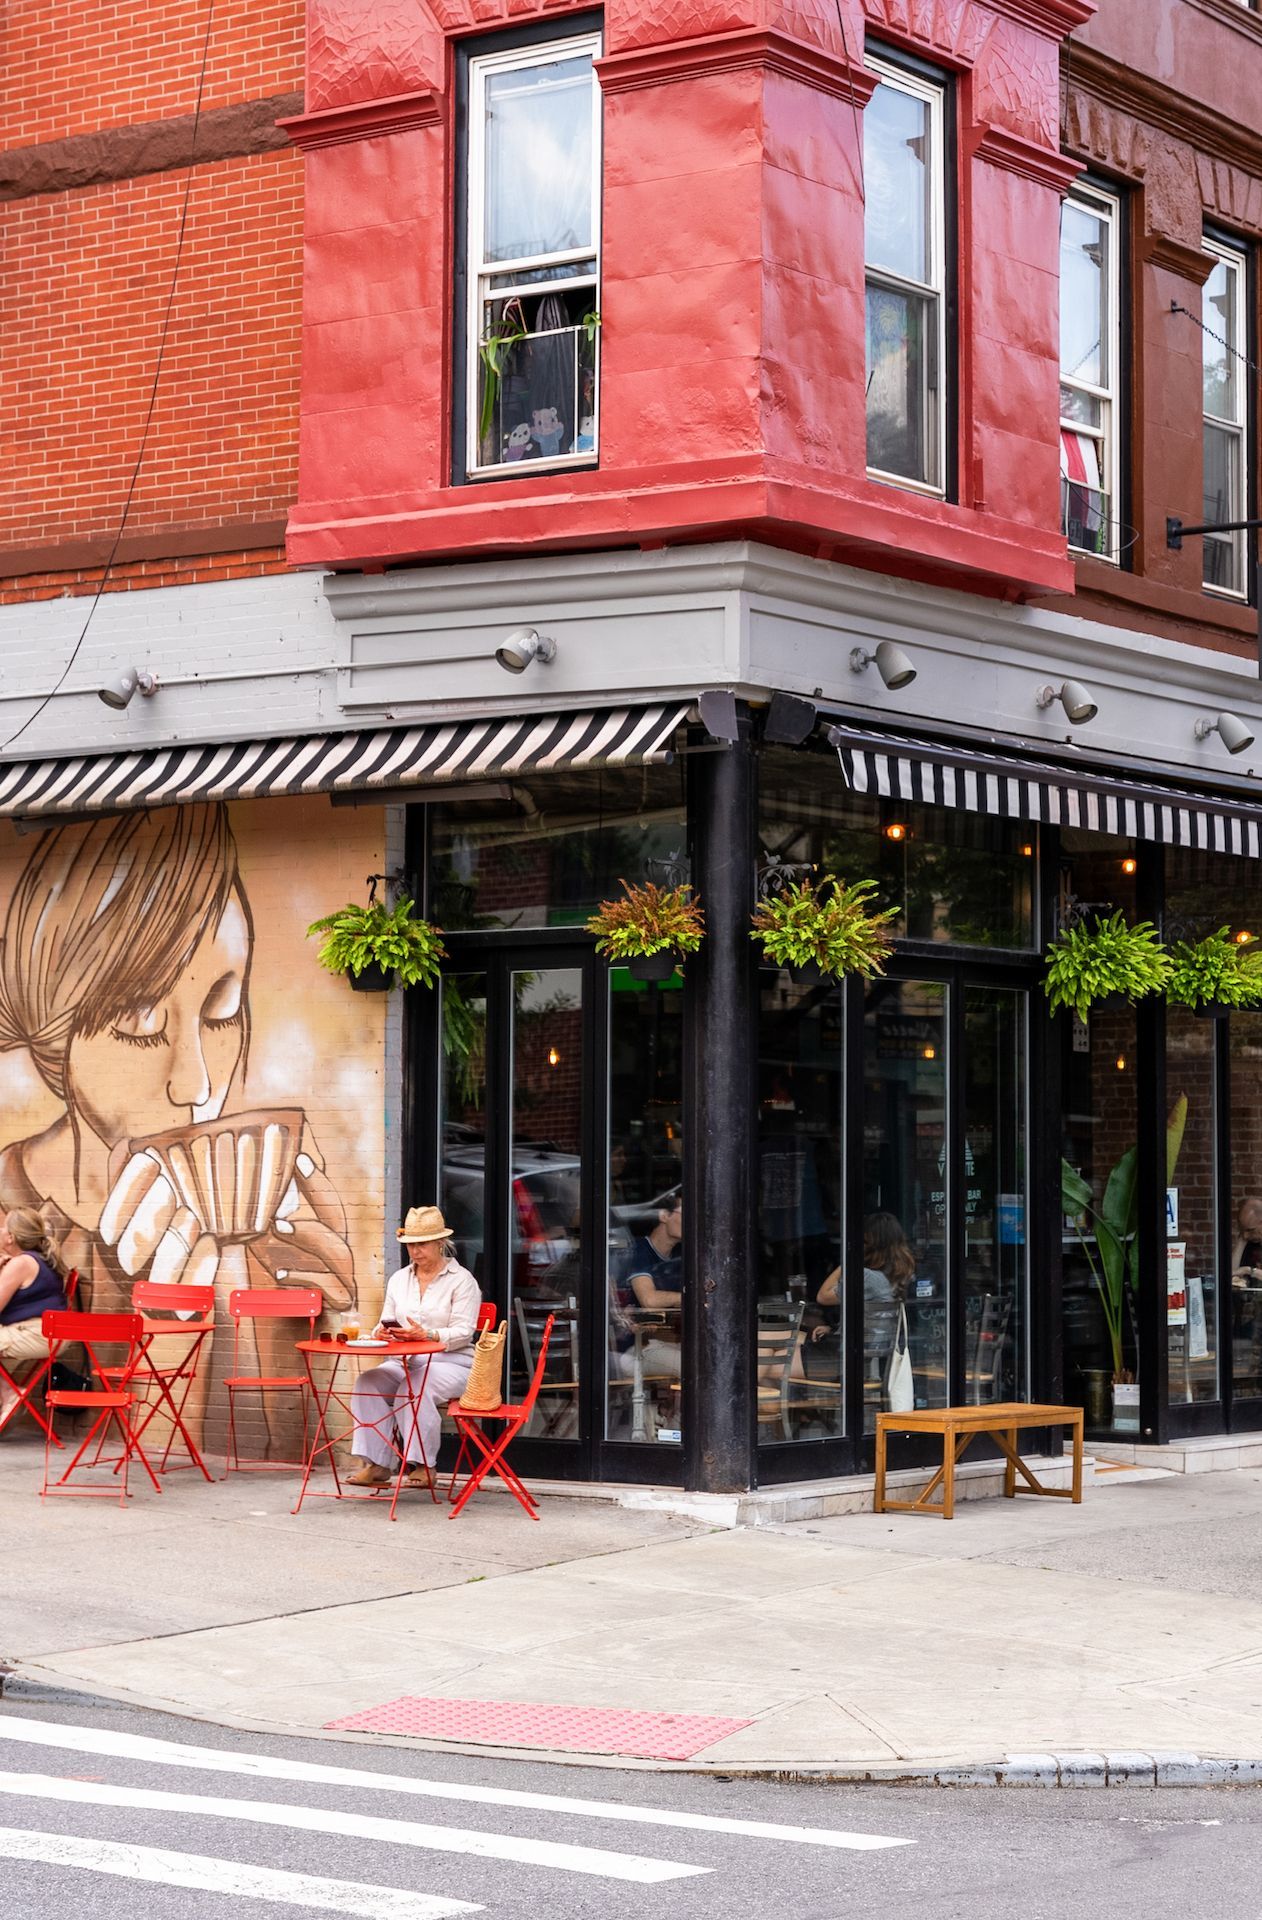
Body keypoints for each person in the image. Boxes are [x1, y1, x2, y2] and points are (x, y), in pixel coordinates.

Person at [0, 805, 355, 1450]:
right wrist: (168, 1336)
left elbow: (302, 1453)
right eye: (140, 1021)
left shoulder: (258, 1239)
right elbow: (149, 1457)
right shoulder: (15, 1203)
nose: (194, 1086)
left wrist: (324, 1329)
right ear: (55, 1037)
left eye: (224, 1009)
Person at [349, 1204, 481, 1489]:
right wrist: (382, 1333)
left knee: (414, 1387)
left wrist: (428, 1334)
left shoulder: (462, 1281)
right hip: (404, 1360)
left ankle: (423, 1465)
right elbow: (383, 1321)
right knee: (367, 1382)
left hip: (452, 1363)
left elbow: (463, 1332)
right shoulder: (399, 1280)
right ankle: (377, 1463)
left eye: (422, 1244)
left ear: (440, 1243)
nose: (415, 1251)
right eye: (410, 1245)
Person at [611, 1191, 683, 1421]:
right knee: (699, 1365)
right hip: (630, 1349)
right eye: (685, 1214)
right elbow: (649, 1300)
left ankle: (676, 1423)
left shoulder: (682, 1255)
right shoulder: (638, 1251)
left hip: (665, 1341)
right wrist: (685, 1297)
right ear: (663, 1215)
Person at [0, 1207, 69, 1429]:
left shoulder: (21, 1263)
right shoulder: (40, 1260)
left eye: (4, 1227)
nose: (0, 1231)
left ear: (11, 1237)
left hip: (36, 1334)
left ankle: (9, 1393)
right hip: (50, 1335)